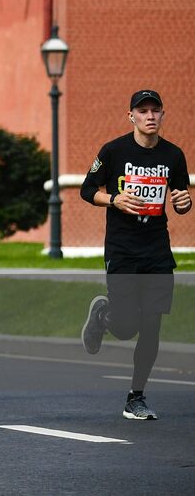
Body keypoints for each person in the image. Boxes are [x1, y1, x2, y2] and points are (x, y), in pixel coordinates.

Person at [80, 89, 190, 420]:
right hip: (123, 248)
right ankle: (103, 315)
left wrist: (184, 205)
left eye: (155, 110)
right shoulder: (113, 151)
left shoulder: (174, 155)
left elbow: (181, 198)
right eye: (143, 111)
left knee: (152, 324)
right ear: (132, 116)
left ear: (162, 115)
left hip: (157, 249)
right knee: (127, 326)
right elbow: (87, 190)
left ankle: (136, 396)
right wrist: (114, 199)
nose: (150, 116)